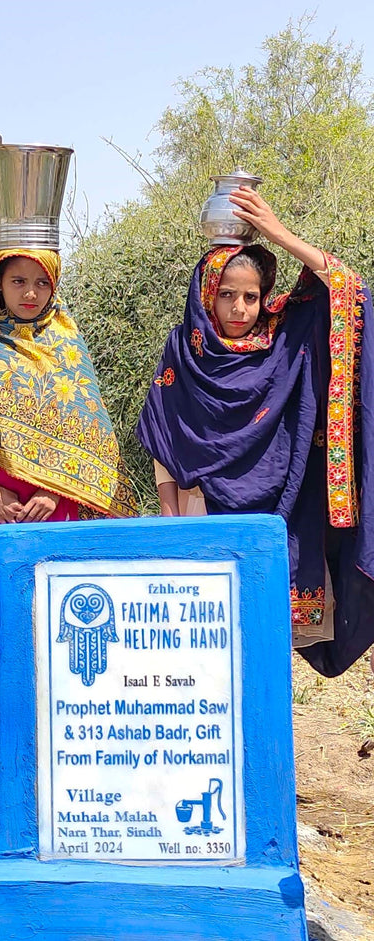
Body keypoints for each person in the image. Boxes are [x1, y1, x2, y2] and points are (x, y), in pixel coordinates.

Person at [137, 186, 374, 673]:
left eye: (251, 296)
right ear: (206, 295)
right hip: (198, 510)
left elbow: (349, 290)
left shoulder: (284, 341)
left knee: (260, 653)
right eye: (227, 295)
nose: (240, 307)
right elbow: (165, 430)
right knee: (201, 651)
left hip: (277, 518)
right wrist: (168, 514)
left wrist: (278, 234)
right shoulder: (185, 348)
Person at [0, 248, 138, 736]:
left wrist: (57, 496)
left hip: (53, 511)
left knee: (55, 620)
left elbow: (90, 438)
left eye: (40, 282)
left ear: (53, 286)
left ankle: (52, 738)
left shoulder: (69, 349)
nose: (30, 293)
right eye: (18, 282)